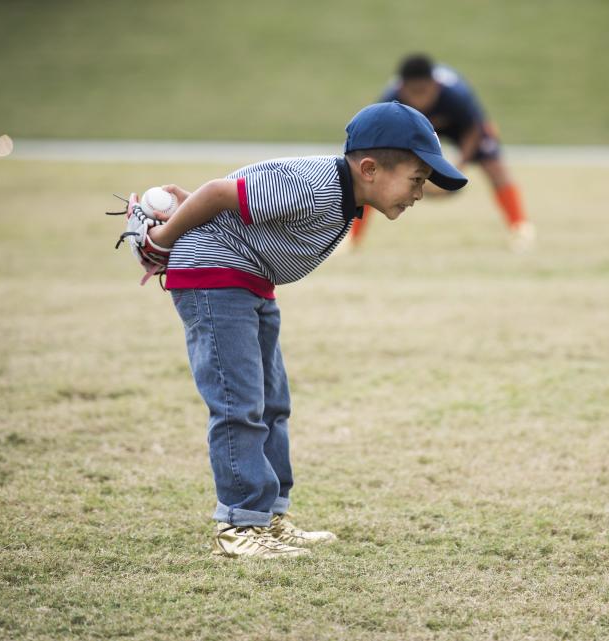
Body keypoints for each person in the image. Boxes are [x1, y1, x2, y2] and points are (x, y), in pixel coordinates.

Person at [144, 102, 467, 559]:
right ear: (370, 169)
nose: (419, 192)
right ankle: (239, 526)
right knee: (240, 403)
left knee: (272, 403)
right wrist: (162, 241)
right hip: (216, 276)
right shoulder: (312, 187)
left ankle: (270, 518)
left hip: (251, 282)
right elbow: (219, 192)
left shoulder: (345, 195)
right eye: (416, 179)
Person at [347, 53, 534, 252]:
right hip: (412, 126)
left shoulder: (456, 95)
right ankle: (353, 237)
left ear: (436, 86)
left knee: (495, 167)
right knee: (374, 171)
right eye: (414, 92)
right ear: (402, 89)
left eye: (425, 91)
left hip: (460, 127)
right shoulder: (391, 99)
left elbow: (474, 129)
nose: (420, 99)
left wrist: (457, 167)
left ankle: (520, 227)